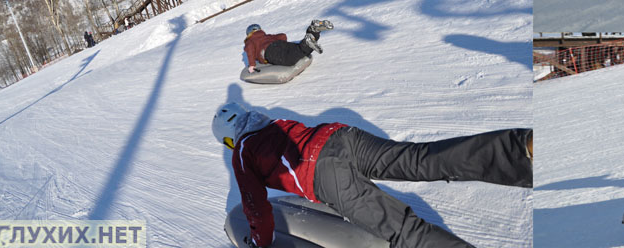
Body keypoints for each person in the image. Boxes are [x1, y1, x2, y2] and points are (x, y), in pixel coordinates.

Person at [211, 103, 532, 247]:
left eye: (227, 142)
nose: (231, 146)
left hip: (323, 171)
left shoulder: (242, 152)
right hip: (342, 136)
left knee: (406, 231)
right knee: (421, 159)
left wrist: (259, 242)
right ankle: (520, 150)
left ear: (229, 137)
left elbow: (257, 208)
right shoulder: (273, 122)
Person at [243, 20, 333, 73]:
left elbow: (249, 50)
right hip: (280, 44)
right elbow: (283, 36)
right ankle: (313, 31)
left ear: (249, 34)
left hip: (269, 52)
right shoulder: (267, 36)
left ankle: (307, 42)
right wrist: (282, 45)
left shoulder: (250, 41)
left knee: (290, 59)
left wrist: (252, 65)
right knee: (299, 49)